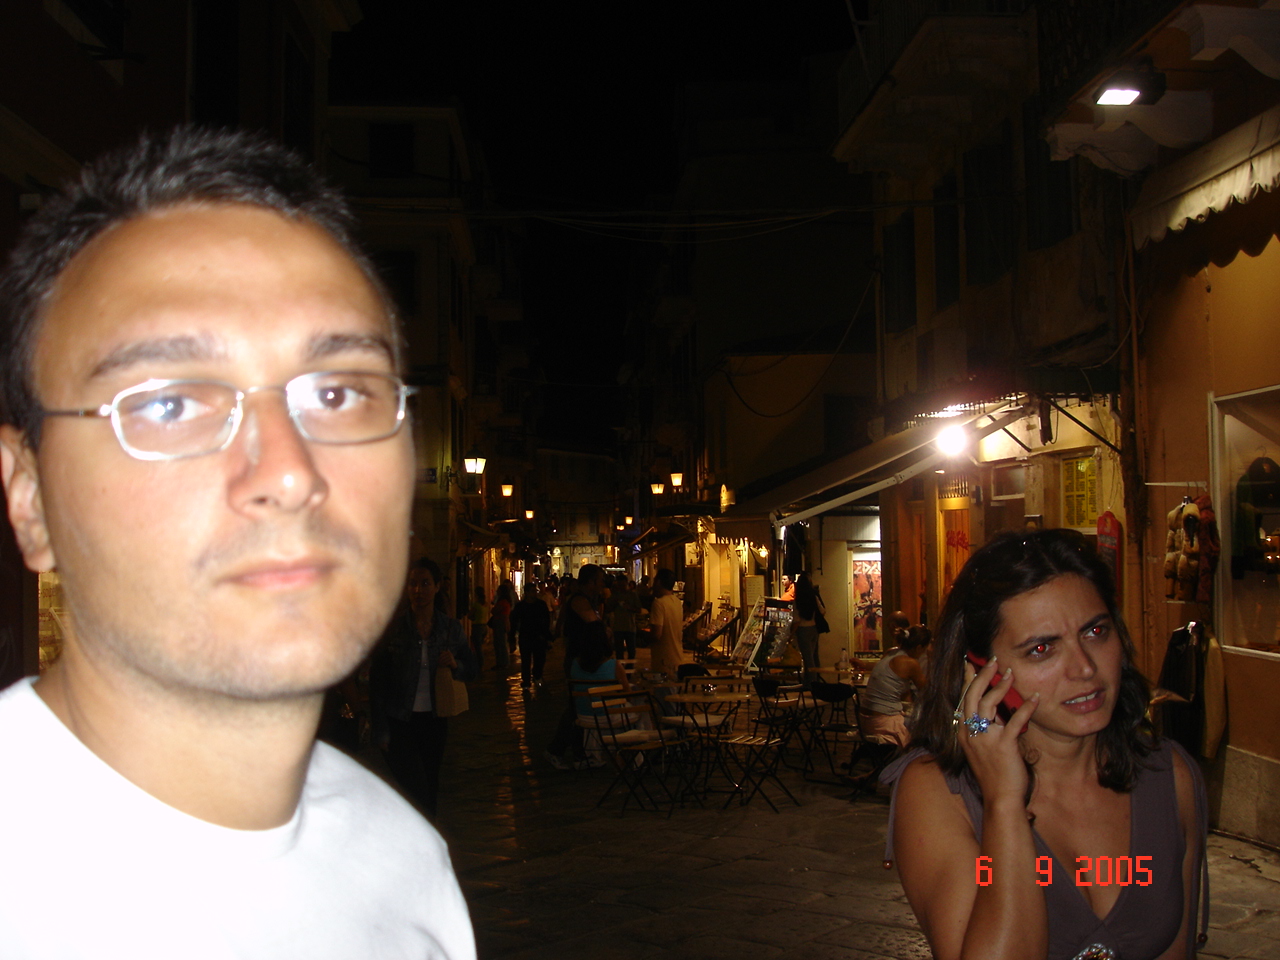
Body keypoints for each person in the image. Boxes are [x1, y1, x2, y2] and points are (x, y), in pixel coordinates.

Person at [0, 127, 475, 958]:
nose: (288, 472)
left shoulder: (408, 866)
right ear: (30, 497)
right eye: (170, 404)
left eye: (338, 392)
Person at [884, 530, 1207, 960]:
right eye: (1041, 648)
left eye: (1095, 631)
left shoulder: (1169, 777)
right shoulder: (938, 794)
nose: (1084, 668)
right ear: (979, 670)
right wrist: (1003, 803)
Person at [370, 557, 477, 820]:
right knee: (414, 787)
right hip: (399, 720)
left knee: (430, 782)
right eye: (413, 584)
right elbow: (378, 680)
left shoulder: (449, 629)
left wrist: (456, 664)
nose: (419, 590)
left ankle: (424, 832)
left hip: (434, 720)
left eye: (426, 583)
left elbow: (473, 668)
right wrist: (380, 726)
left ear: (437, 586)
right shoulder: (395, 628)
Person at [545, 563, 609, 769]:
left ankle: (579, 753)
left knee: (581, 707)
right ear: (591, 582)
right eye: (600, 581)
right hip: (579, 660)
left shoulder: (586, 600)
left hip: (585, 659)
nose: (602, 585)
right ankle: (557, 750)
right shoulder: (580, 601)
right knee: (577, 707)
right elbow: (595, 624)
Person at [859, 625, 930, 747]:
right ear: (919, 647)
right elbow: (927, 691)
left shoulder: (890, 653)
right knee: (925, 728)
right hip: (883, 722)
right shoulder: (910, 663)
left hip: (864, 720)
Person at [646, 568, 687, 680]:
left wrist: (644, 637)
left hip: (663, 660)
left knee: (663, 689)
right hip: (677, 657)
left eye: (654, 580)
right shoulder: (677, 602)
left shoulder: (659, 603)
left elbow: (656, 634)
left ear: (659, 582)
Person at [511, 582, 552, 690]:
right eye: (533, 591)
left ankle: (537, 676)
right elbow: (514, 621)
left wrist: (547, 636)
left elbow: (546, 621)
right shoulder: (520, 606)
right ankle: (526, 681)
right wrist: (512, 638)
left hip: (539, 636)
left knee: (539, 659)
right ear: (527, 593)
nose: (535, 593)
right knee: (526, 660)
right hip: (526, 636)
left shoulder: (541, 605)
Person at [792, 572, 826, 682]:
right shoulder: (813, 596)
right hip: (814, 628)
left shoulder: (798, 600)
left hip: (803, 630)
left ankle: (811, 682)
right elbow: (822, 611)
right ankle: (816, 679)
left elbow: (796, 620)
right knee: (813, 655)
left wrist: (791, 633)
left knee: (807, 658)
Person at [607, 577, 640, 660]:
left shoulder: (632, 595)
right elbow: (608, 608)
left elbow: (639, 609)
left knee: (631, 651)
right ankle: (620, 666)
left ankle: (630, 666)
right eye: (619, 585)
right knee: (619, 652)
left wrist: (629, 608)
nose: (621, 587)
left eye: (622, 585)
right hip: (618, 627)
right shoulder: (615, 595)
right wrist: (614, 604)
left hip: (630, 627)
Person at [490, 580, 514, 676]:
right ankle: (503, 662)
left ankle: (502, 663)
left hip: (500, 623)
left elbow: (494, 611)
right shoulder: (506, 601)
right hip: (502, 622)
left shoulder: (502, 602)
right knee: (501, 643)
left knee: (500, 643)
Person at [468, 585, 490, 669]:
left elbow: (470, 615)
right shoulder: (486, 604)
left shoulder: (476, 605)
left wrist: (472, 617)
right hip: (484, 626)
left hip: (477, 626)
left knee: (477, 647)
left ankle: (480, 663)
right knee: (480, 646)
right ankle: (481, 662)